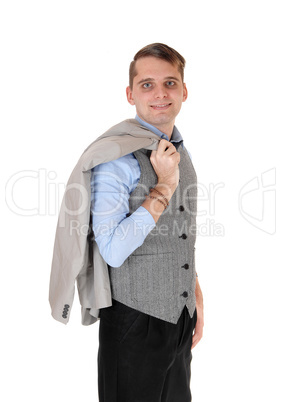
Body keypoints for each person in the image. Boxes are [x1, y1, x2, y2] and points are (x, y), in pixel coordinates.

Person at [90, 43, 204, 402]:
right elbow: (112, 251)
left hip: (180, 316)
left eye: (170, 83)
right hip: (133, 320)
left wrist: (194, 292)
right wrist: (165, 186)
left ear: (183, 91)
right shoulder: (116, 158)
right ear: (130, 93)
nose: (160, 93)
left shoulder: (178, 148)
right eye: (147, 84)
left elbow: (182, 228)